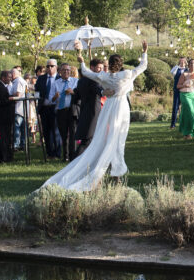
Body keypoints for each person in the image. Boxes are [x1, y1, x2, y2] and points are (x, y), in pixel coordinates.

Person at [41, 40, 149, 192]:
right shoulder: (126, 74)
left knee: (104, 138)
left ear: (110, 64)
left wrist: (81, 60)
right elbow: (143, 66)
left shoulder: (104, 76)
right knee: (118, 140)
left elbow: (86, 73)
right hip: (120, 108)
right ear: (121, 64)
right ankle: (113, 173)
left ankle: (111, 172)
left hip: (108, 107)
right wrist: (144, 52)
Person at [74, 58, 105, 154]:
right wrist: (104, 92)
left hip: (84, 111)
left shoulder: (81, 80)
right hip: (93, 113)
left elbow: (76, 97)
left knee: (88, 139)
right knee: (88, 140)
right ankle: (76, 160)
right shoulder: (94, 80)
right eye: (99, 68)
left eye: (102, 68)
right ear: (92, 67)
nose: (101, 70)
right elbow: (98, 90)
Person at [50, 64, 79, 162]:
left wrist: (72, 92)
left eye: (68, 70)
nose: (66, 72)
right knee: (63, 134)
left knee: (73, 133)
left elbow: (80, 95)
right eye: (64, 70)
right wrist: (55, 96)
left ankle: (72, 156)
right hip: (61, 110)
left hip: (72, 110)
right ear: (60, 72)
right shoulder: (55, 83)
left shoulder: (75, 81)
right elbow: (51, 99)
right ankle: (65, 155)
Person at [35, 59, 62, 158]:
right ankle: (49, 152)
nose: (49, 68)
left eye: (52, 66)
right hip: (44, 107)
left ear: (56, 67)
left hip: (55, 107)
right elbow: (37, 90)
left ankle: (57, 152)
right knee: (46, 131)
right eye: (48, 66)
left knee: (55, 131)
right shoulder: (41, 78)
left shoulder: (60, 78)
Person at [177, 59, 194, 139]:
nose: (192, 65)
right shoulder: (184, 74)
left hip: (193, 95)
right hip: (184, 95)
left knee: (187, 114)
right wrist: (184, 85)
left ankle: (188, 133)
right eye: (191, 63)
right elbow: (178, 86)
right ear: (188, 65)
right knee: (191, 111)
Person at [0, 70, 14, 164]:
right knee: (3, 136)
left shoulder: (3, 86)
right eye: (9, 77)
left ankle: (5, 155)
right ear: (3, 78)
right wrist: (11, 99)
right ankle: (3, 156)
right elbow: (2, 101)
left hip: (5, 116)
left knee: (6, 136)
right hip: (3, 116)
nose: (10, 79)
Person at [9, 67, 27, 150]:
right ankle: (23, 144)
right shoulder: (22, 80)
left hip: (18, 108)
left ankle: (16, 145)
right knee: (23, 128)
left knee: (17, 127)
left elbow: (18, 94)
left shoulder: (18, 81)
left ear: (13, 74)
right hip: (23, 108)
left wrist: (10, 97)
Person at [169, 58, 187, 129]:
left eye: (183, 61)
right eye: (181, 61)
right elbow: (172, 72)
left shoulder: (187, 69)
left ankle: (184, 123)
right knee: (175, 107)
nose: (182, 62)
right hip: (177, 90)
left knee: (184, 107)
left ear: (185, 62)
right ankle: (173, 124)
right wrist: (177, 66)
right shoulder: (177, 68)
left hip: (185, 90)